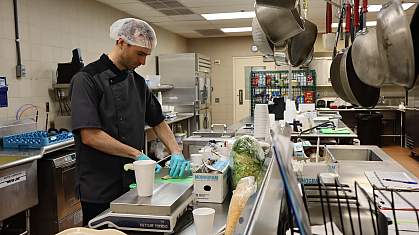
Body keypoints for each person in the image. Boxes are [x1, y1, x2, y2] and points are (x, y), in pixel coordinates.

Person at [70, 18, 190, 225]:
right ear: (121, 43)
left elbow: (158, 121)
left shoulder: (138, 82)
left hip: (135, 184)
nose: (143, 61)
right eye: (140, 54)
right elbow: (90, 136)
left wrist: (176, 151)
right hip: (100, 186)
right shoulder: (87, 79)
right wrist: (136, 154)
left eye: (146, 55)